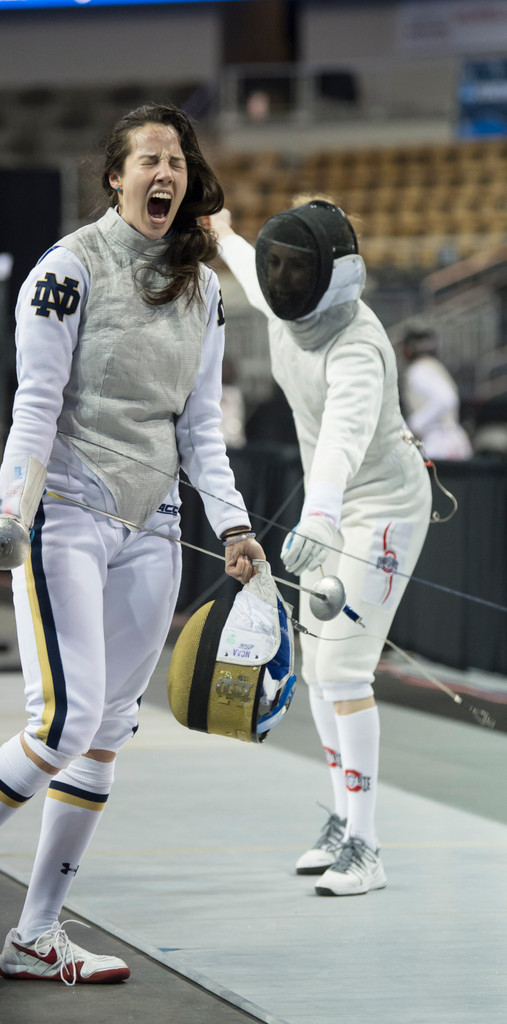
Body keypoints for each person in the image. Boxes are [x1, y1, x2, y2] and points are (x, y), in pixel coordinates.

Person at [0, 103, 265, 981]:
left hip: (155, 527)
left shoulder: (204, 287)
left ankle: (35, 933)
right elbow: (34, 405)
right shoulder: (66, 271)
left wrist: (236, 525)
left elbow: (200, 431)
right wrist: (13, 514)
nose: (165, 174)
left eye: (176, 160)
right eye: (148, 159)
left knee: (103, 733)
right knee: (60, 719)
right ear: (116, 175)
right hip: (66, 511)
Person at [206, 200, 431, 896]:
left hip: (380, 510)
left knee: (342, 672)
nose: (279, 276)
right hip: (330, 514)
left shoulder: (357, 346)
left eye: (293, 268)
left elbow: (341, 439)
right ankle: (342, 820)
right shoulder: (285, 307)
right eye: (278, 263)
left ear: (331, 276)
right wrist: (221, 233)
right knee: (314, 664)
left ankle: (365, 846)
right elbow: (250, 268)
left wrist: (323, 513)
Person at [399, 319, 473, 460]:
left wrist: (414, 425)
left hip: (439, 441)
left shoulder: (418, 370)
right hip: (451, 438)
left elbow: (446, 399)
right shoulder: (434, 367)